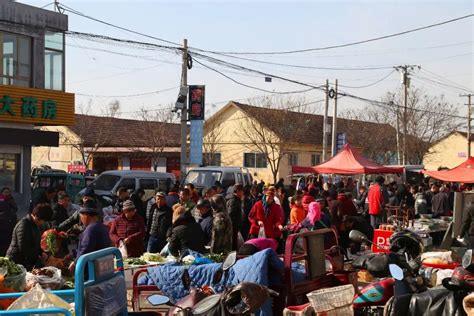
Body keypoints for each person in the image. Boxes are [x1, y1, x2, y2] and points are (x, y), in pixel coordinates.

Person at [7, 203, 53, 270]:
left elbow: (35, 244)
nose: (43, 223)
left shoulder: (35, 224)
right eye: (44, 220)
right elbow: (24, 248)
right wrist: (38, 257)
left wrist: (41, 252)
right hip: (16, 261)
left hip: (26, 261)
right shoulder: (24, 225)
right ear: (37, 217)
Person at [69, 204, 111, 273]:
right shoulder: (101, 226)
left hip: (92, 271)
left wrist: (74, 263)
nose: (81, 219)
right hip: (103, 267)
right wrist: (73, 254)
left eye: (81, 216)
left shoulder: (90, 230)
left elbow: (85, 250)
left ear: (86, 215)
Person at [227, 183, 244, 251]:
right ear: (237, 191)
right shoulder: (233, 201)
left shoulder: (237, 200)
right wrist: (235, 226)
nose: (243, 192)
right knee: (233, 245)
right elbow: (230, 214)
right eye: (242, 191)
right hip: (233, 228)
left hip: (235, 227)